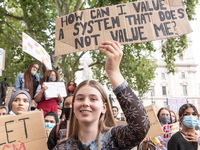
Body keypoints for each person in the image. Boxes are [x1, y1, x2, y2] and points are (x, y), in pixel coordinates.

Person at [54, 41, 150, 150]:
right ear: (74, 106)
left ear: (104, 108)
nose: (85, 103)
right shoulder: (62, 147)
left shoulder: (115, 139)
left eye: (93, 99)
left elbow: (141, 127)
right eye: (80, 98)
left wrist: (114, 72)